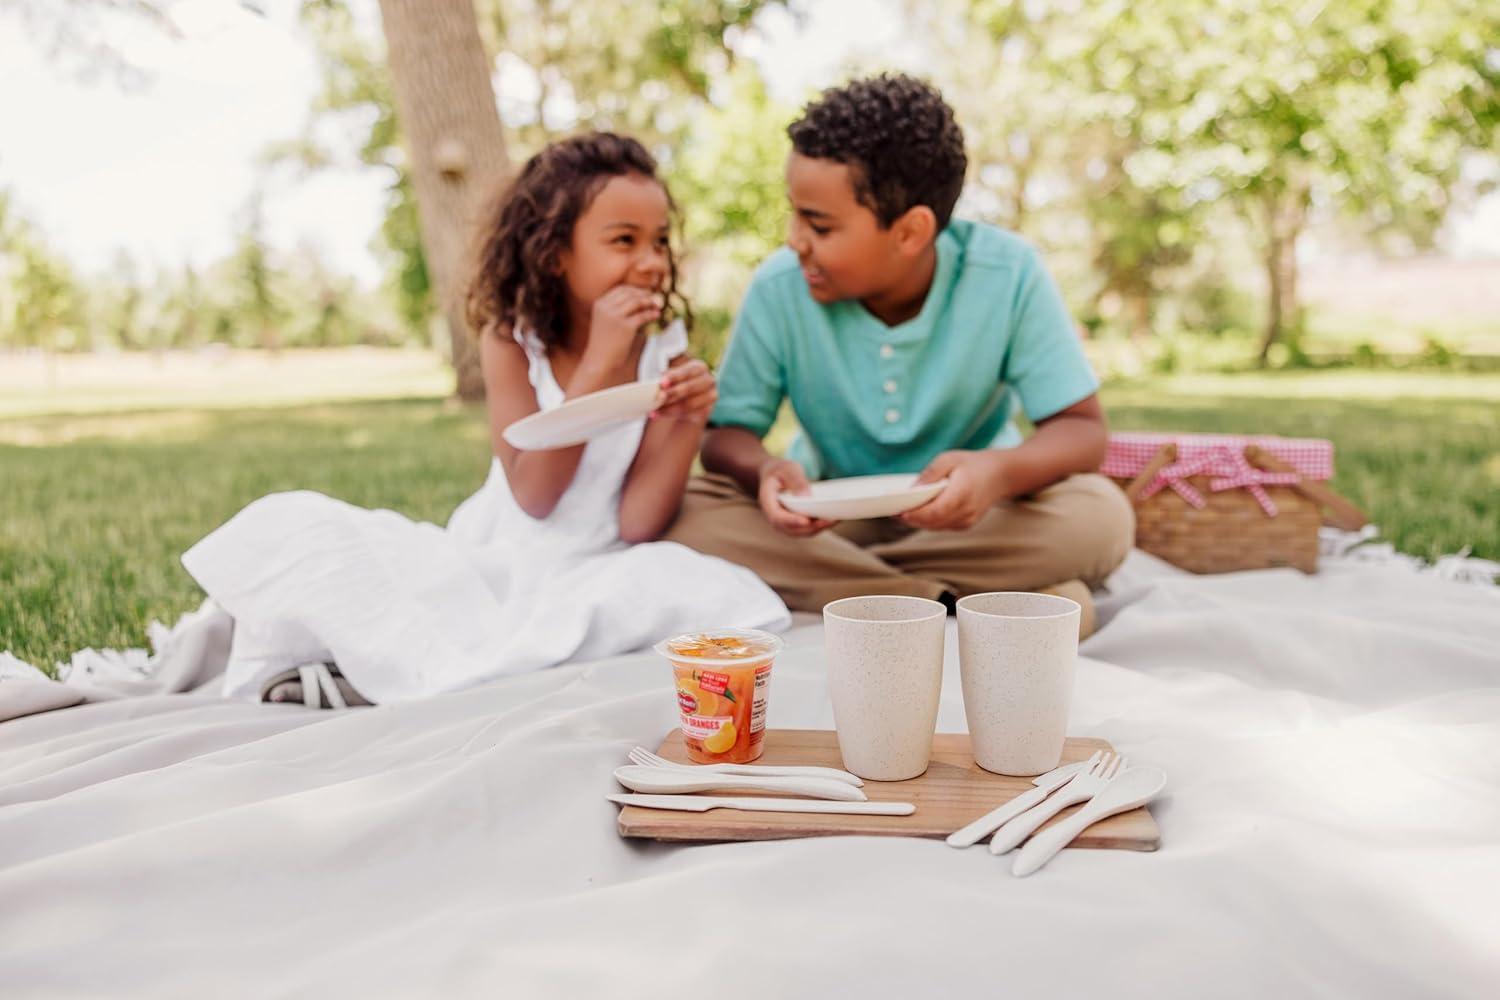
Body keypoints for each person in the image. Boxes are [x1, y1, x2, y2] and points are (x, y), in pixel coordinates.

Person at [183, 132, 788, 706]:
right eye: (624, 241)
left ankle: (388, 674)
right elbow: (535, 495)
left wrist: (686, 420)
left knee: (690, 586)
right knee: (312, 531)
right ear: (554, 254)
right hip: (503, 550)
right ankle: (382, 668)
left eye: (659, 241)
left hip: (599, 562)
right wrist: (601, 363)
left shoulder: (665, 354)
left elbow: (636, 524)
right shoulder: (512, 341)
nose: (653, 262)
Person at [664, 74, 1133, 635]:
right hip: (831, 523)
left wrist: (997, 473)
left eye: (819, 224)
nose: (795, 240)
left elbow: (1082, 431)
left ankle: (859, 593)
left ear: (910, 231)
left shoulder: (1007, 274)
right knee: (685, 513)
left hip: (977, 523)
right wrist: (764, 470)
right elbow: (725, 436)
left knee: (1101, 515)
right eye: (795, 214)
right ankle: (956, 600)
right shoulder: (778, 288)